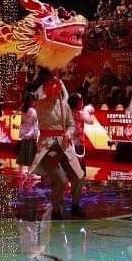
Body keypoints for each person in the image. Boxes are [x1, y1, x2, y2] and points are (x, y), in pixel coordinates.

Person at [29, 76, 84, 217]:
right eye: (51, 86)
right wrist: (50, 85)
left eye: (56, 86)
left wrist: (69, 133)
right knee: (60, 180)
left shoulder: (64, 105)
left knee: (78, 176)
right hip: (48, 147)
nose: (54, 89)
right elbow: (37, 93)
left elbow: (71, 125)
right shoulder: (40, 104)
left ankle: (75, 205)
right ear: (45, 89)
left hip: (64, 145)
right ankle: (56, 209)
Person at [16, 96, 38, 167]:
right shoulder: (32, 110)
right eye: (34, 101)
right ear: (31, 102)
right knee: (30, 148)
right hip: (30, 131)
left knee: (25, 147)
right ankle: (29, 163)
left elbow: (24, 121)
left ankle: (24, 162)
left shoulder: (24, 110)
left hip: (26, 131)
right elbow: (32, 122)